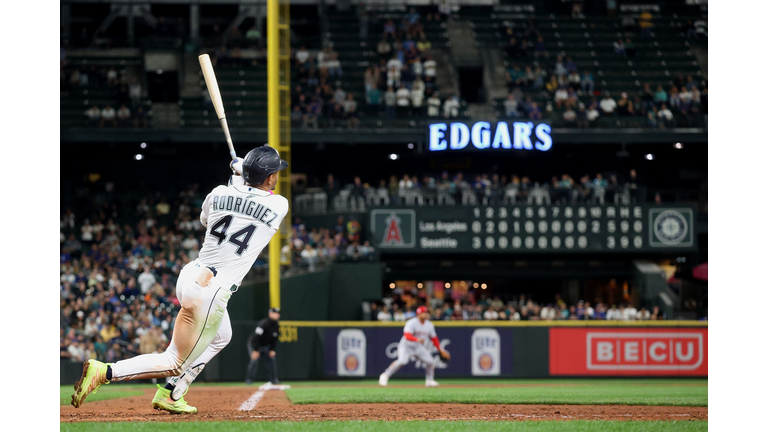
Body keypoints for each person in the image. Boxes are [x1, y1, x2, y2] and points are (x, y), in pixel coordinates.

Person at [70, 145, 290, 414]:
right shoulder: (279, 205)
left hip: (191, 274)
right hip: (211, 292)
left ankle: (173, 392)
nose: (277, 176)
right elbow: (258, 195)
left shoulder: (219, 193)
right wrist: (240, 171)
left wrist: (237, 176)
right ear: (269, 178)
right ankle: (105, 371)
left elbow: (206, 219)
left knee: (223, 336)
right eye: (275, 172)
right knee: (173, 360)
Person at [378, 306, 449, 388]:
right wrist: (416, 339)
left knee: (431, 362)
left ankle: (430, 381)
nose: (426, 314)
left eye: (427, 312)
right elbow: (406, 335)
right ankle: (385, 375)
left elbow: (434, 339)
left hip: (417, 347)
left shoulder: (429, 325)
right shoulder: (412, 322)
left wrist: (440, 349)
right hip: (406, 346)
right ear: (418, 313)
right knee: (402, 361)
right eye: (424, 312)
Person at [245, 307, 281, 385]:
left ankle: (274, 379)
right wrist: (255, 350)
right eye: (275, 313)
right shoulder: (264, 323)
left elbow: (275, 339)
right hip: (255, 345)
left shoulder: (277, 326)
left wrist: (272, 349)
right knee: (254, 360)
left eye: (278, 313)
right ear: (270, 314)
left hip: (265, 346)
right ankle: (249, 380)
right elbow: (255, 337)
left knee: (272, 360)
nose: (277, 315)